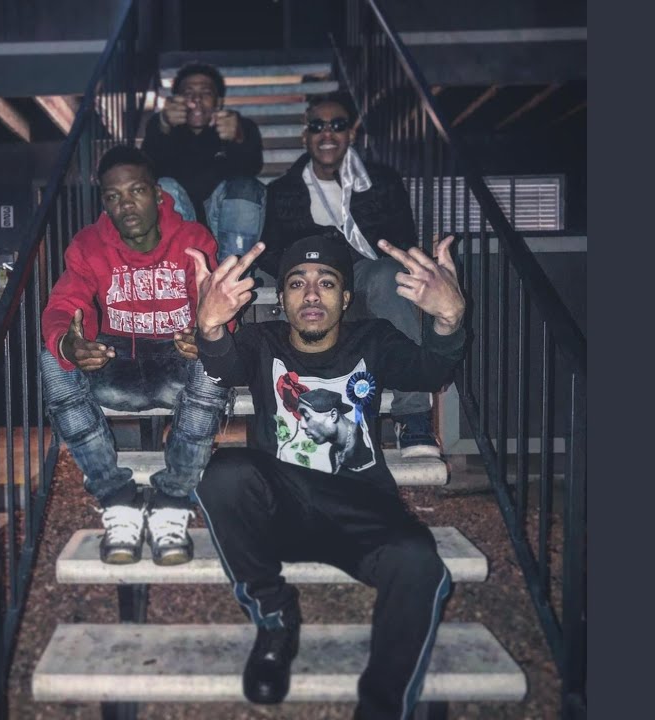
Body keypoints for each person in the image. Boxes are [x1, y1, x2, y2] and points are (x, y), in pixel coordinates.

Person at [184, 232, 468, 719]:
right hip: (283, 509)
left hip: (361, 508)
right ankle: (275, 619)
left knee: (419, 561)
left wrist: (448, 320)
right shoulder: (261, 341)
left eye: (327, 283)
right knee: (224, 474)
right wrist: (209, 329)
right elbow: (224, 365)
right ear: (282, 298)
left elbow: (429, 372)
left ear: (346, 298)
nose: (312, 294)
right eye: (297, 283)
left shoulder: (373, 338)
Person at [39, 145, 229, 566]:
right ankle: (116, 498)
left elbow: (217, 304)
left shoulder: (194, 240)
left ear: (158, 194)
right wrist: (70, 343)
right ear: (104, 203)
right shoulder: (88, 245)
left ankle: (173, 499)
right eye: (113, 196)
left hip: (179, 359)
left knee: (213, 359)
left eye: (137, 191)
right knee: (53, 357)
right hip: (117, 362)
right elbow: (64, 306)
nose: (126, 205)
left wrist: (206, 333)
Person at [258, 92, 448, 460]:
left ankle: (413, 416)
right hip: (312, 272)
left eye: (337, 125)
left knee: (391, 278)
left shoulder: (381, 182)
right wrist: (302, 268)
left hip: (364, 268)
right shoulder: (283, 190)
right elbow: (268, 249)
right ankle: (293, 417)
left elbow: (403, 242)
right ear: (305, 136)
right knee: (297, 290)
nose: (327, 133)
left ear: (352, 133)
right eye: (318, 126)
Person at [142, 62, 266, 264]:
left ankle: (233, 270)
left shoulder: (239, 126)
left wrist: (238, 139)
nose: (196, 99)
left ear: (219, 102)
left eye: (206, 93)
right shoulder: (161, 127)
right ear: (175, 100)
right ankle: (184, 268)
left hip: (225, 226)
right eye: (188, 92)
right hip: (183, 229)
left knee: (245, 186)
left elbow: (251, 169)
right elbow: (148, 171)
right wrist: (163, 126)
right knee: (163, 186)